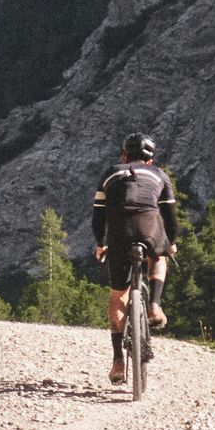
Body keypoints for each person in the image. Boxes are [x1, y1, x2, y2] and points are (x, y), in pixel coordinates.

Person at [92, 132, 178, 383]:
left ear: (124, 155)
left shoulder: (110, 172)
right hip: (149, 225)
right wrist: (170, 243)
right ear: (150, 160)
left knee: (118, 294)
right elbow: (171, 216)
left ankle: (118, 360)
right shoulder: (159, 175)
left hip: (119, 230)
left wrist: (100, 244)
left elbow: (98, 216)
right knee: (159, 257)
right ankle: (154, 304)